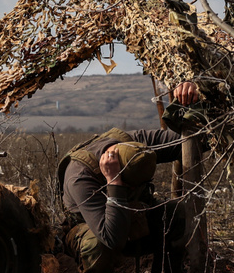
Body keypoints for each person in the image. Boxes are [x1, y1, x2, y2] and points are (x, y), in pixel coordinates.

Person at [58, 81, 202, 273]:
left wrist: (194, 97)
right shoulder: (80, 176)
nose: (134, 190)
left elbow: (195, 140)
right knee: (97, 246)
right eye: (130, 186)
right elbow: (112, 239)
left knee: (180, 214)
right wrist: (114, 183)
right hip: (92, 228)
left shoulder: (134, 144)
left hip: (132, 214)